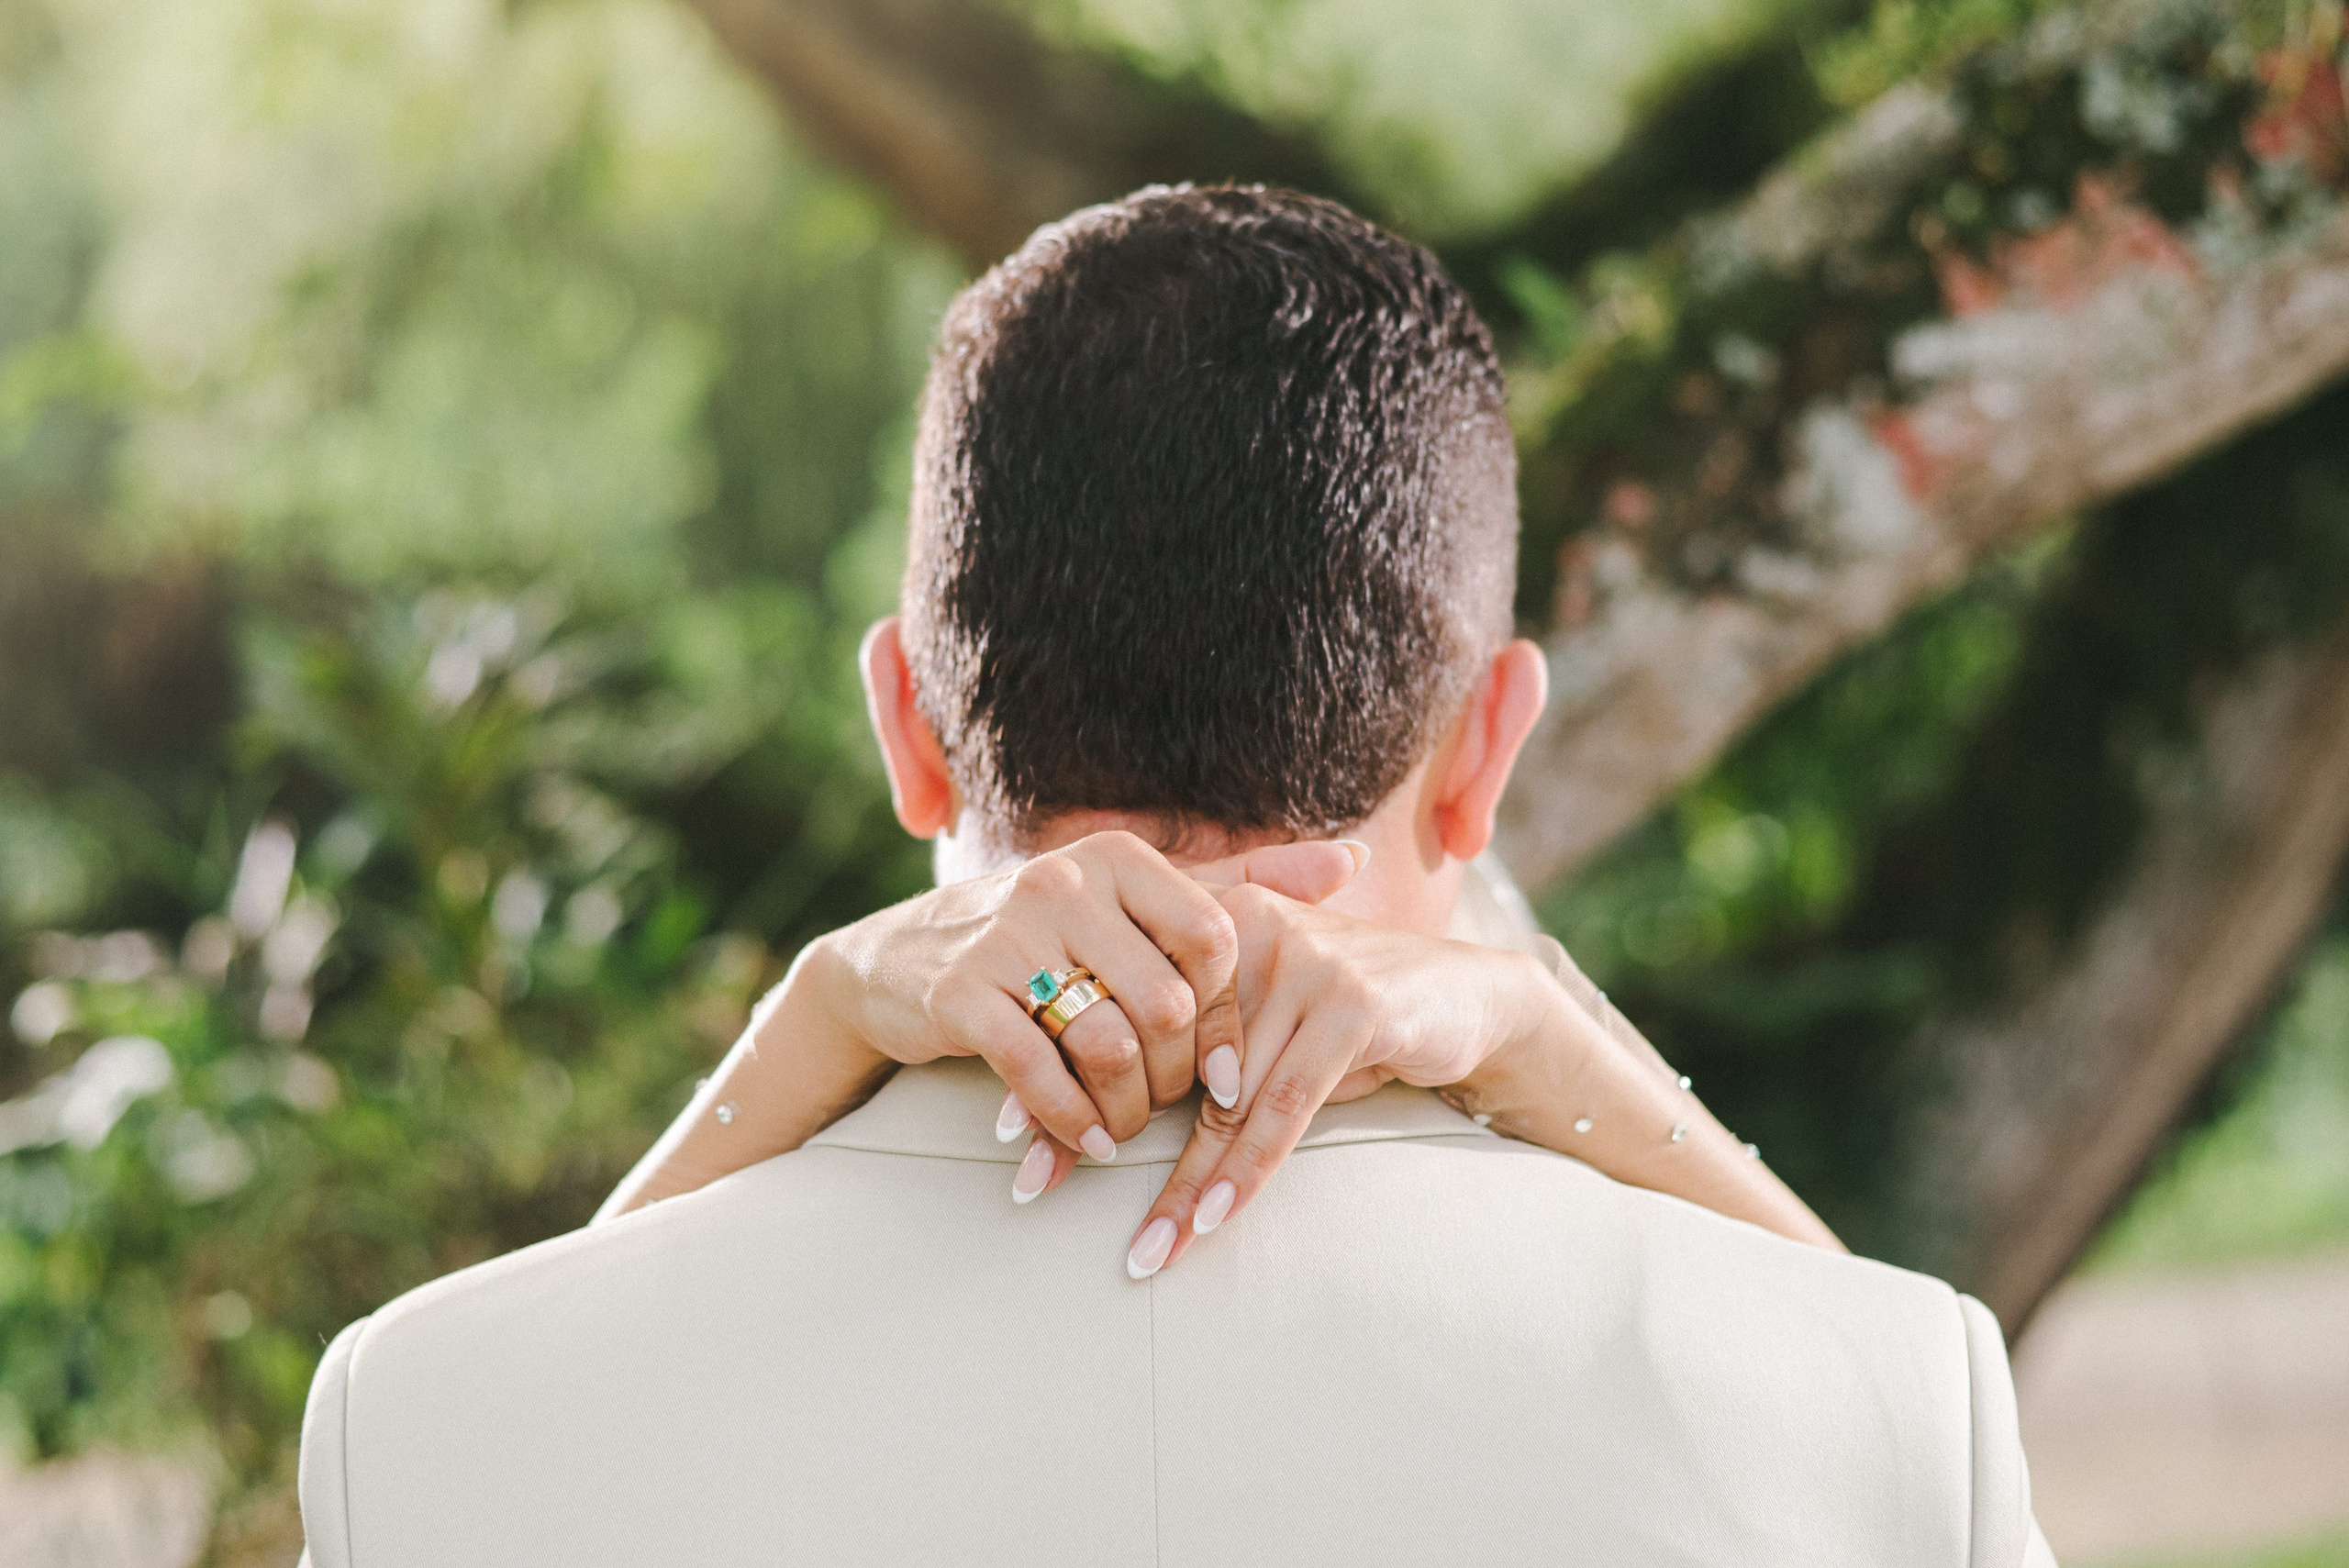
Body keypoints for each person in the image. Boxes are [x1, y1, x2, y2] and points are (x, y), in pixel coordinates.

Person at [295, 184, 2054, 1566]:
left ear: (906, 721)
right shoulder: (1875, 1405)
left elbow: (547, 1418)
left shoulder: (424, 1418)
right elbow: (1866, 1407)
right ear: (1491, 748)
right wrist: (1548, 1037)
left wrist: (810, 1018)